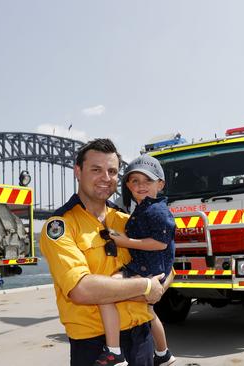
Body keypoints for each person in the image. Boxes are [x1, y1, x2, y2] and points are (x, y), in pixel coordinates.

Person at [40, 139, 172, 366]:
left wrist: (159, 286)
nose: (106, 178)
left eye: (112, 171)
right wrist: (146, 288)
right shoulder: (60, 226)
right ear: (78, 172)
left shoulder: (127, 221)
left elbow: (166, 264)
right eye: (96, 170)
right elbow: (81, 290)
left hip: (141, 339)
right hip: (95, 346)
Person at [97, 155, 177, 366]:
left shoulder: (157, 210)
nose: (141, 185)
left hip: (146, 269)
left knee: (106, 293)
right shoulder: (143, 208)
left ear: (160, 184)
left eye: (147, 181)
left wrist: (124, 241)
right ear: (128, 186)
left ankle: (114, 352)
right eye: (135, 181)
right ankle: (164, 354)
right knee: (149, 311)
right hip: (145, 267)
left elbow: (160, 243)